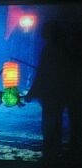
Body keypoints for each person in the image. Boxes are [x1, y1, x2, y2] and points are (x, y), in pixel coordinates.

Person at [26, 20, 69, 163]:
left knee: (49, 123)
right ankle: (55, 150)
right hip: (61, 92)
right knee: (56, 121)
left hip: (50, 93)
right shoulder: (63, 48)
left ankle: (49, 152)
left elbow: (42, 73)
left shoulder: (49, 49)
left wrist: (32, 92)